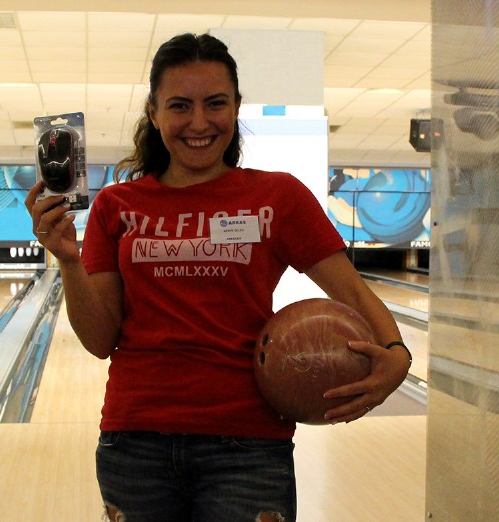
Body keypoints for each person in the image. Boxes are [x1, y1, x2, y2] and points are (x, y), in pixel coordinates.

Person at [25, 32, 412, 522]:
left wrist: (397, 355)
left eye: (215, 104)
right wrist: (68, 260)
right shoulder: (117, 206)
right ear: (154, 112)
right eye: (180, 106)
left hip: (248, 445)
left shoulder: (279, 197)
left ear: (236, 108)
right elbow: (100, 339)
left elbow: (351, 290)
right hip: (135, 441)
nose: (199, 122)